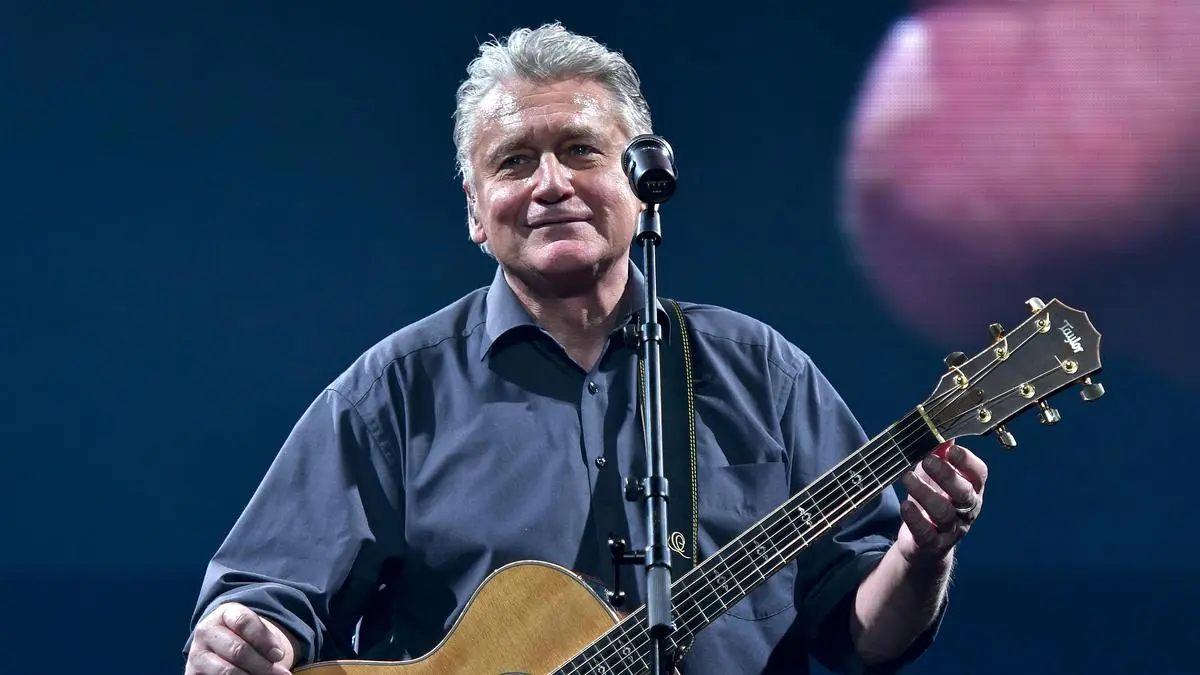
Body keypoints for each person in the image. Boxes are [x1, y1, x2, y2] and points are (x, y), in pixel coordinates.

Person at [183, 22, 989, 675]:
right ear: (475, 210)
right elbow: (265, 599)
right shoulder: (391, 394)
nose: (550, 184)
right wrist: (245, 636)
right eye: (514, 162)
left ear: (641, 182)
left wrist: (922, 554)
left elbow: (863, 636)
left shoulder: (764, 375)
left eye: (579, 150)